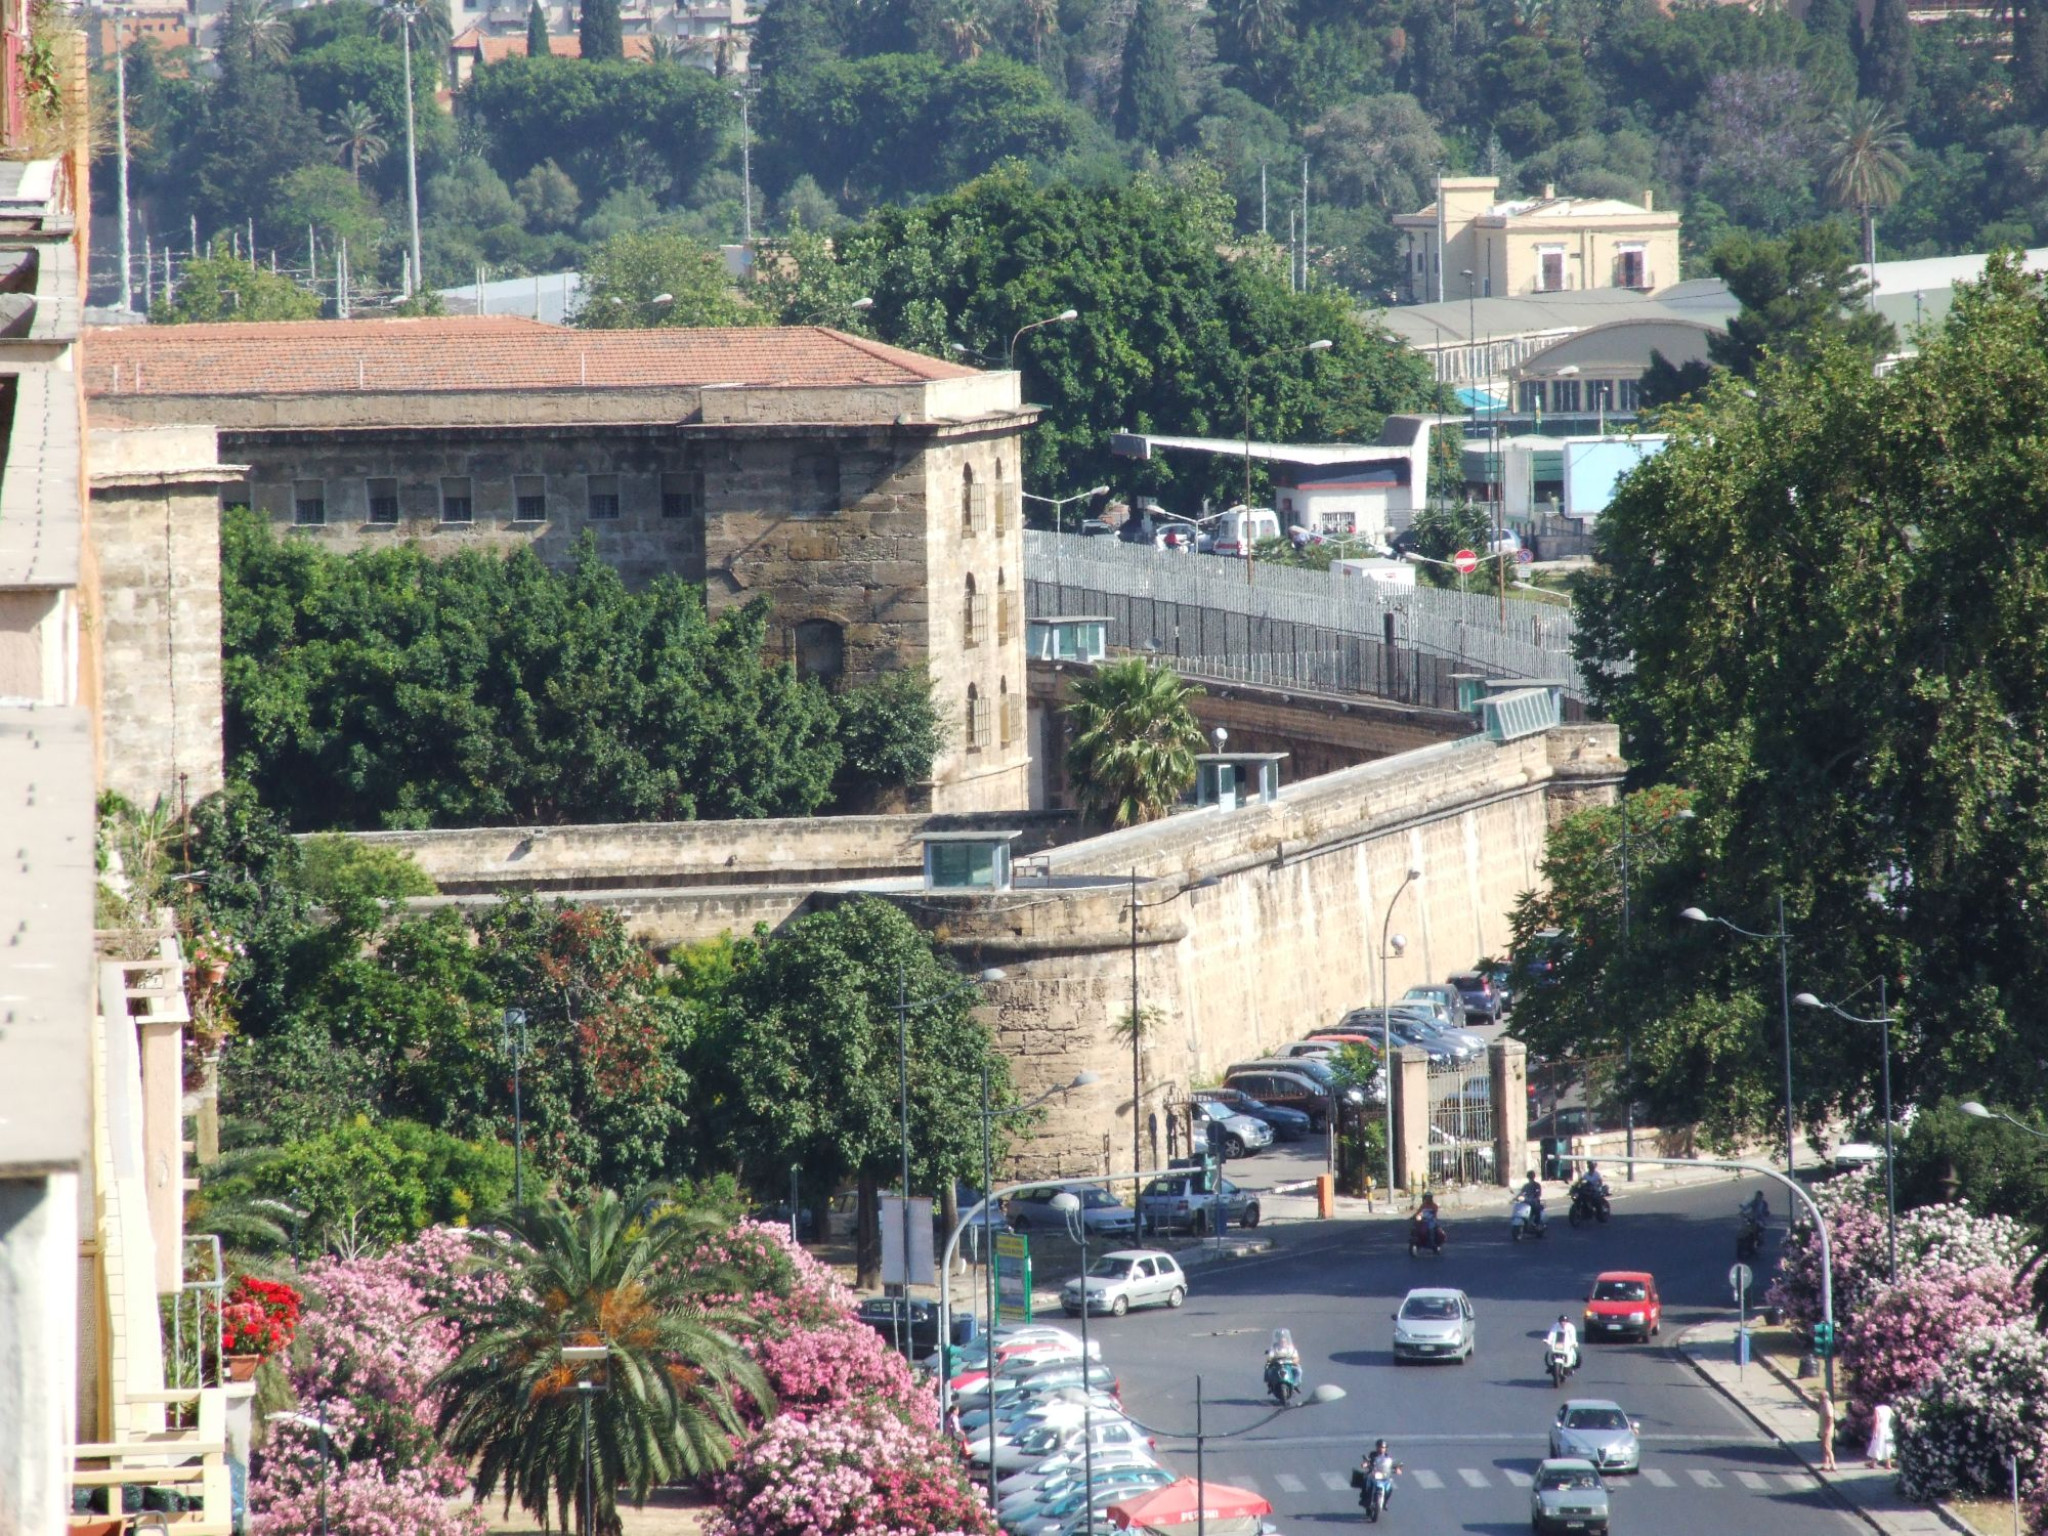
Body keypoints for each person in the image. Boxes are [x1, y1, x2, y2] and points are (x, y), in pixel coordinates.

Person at [1361, 1439, 1401, 1510]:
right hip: (1373, 1473)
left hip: (1384, 1474)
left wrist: (1397, 1468)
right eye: (1379, 1447)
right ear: (1377, 1447)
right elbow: (1368, 1460)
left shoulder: (1388, 1457)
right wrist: (1366, 1464)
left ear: (1385, 1448)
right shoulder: (1373, 1454)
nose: (1381, 1449)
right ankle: (1364, 1499)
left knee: (1390, 1488)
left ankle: (1385, 1502)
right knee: (1365, 1480)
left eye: (1383, 1447)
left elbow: (1393, 1463)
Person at [1867, 1402, 1896, 1469]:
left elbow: (1876, 1421)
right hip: (1887, 1427)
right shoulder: (1888, 1408)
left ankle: (1873, 1463)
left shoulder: (1877, 1409)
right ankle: (1888, 1464)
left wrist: (1875, 1431)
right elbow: (1893, 1417)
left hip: (1880, 1428)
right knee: (1887, 1446)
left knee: (1876, 1445)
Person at [1819, 1390, 1838, 1472]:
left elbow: (1830, 1417)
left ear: (1824, 1397)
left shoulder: (1827, 1405)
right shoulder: (1823, 1404)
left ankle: (1833, 1464)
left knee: (1827, 1447)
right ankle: (1826, 1464)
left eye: (1820, 1396)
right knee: (1825, 1447)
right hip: (1824, 1429)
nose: (1819, 1397)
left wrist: (1827, 1429)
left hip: (1827, 1430)